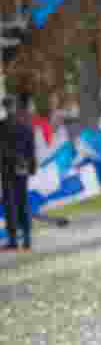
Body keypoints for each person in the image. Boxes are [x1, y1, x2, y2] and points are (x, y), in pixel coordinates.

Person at [1, 98, 37, 250]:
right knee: (22, 201)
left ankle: (14, 239)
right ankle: (26, 238)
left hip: (8, 168)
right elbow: (31, 148)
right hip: (21, 167)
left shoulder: (2, 126)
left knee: (11, 203)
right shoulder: (25, 125)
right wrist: (31, 165)